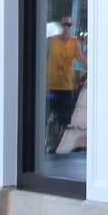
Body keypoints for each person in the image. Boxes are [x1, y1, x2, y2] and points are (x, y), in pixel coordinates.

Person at [44, 17, 81, 148]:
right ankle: (43, 142)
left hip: (66, 88)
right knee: (43, 117)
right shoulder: (50, 41)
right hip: (50, 87)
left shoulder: (74, 42)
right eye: (64, 24)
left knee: (65, 120)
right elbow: (42, 58)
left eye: (69, 25)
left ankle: (57, 145)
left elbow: (80, 58)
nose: (66, 27)